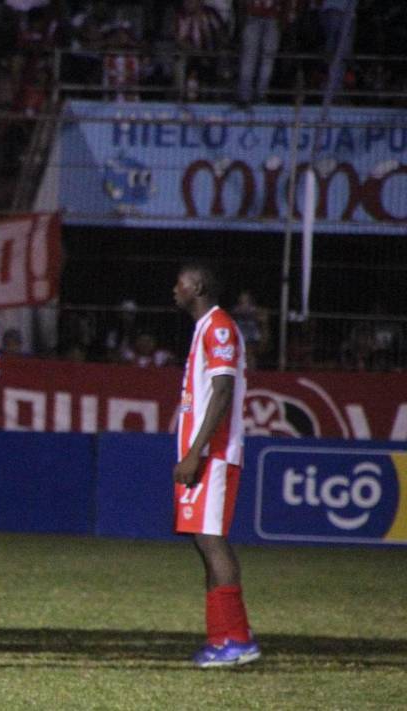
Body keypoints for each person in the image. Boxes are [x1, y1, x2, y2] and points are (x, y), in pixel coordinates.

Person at [171, 264, 259, 668]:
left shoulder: (219, 327)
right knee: (203, 540)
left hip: (215, 453)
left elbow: (222, 392)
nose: (175, 289)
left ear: (199, 286)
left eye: (181, 283)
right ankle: (221, 639)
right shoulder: (206, 327)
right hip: (206, 452)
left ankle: (238, 638)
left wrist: (196, 452)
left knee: (211, 539)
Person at [237, 0, 290, 106]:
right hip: (267, 17)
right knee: (264, 61)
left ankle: (247, 96)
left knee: (252, 60)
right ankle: (258, 96)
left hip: (261, 16)